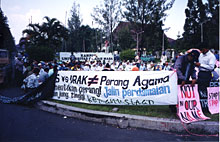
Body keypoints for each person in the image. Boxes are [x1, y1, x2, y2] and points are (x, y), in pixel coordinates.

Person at [195, 44, 216, 111]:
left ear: (207, 49)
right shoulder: (201, 55)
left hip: (207, 74)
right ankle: (200, 105)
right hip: (200, 73)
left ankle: (206, 106)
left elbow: (211, 67)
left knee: (205, 89)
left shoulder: (211, 56)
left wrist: (201, 65)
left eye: (203, 49)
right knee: (200, 89)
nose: (202, 51)